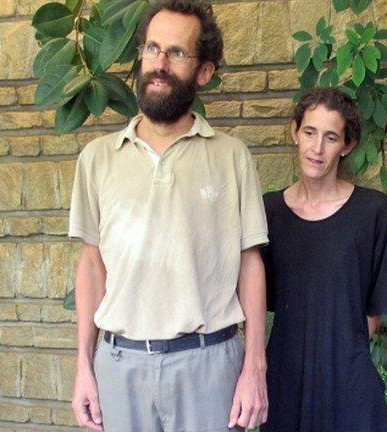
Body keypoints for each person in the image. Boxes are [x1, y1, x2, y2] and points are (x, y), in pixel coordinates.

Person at [68, 1, 269, 430]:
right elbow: (91, 265)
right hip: (120, 367)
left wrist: (255, 367)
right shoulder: (97, 159)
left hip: (209, 367)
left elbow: (250, 265)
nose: (159, 63)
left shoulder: (232, 157)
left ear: (204, 72)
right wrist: (84, 365)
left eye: (176, 52)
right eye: (152, 49)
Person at [260, 88, 387, 432]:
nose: (317, 148)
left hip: (348, 379)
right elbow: (257, 301)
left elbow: (374, 307)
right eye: (309, 132)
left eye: (331, 137)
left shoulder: (372, 211)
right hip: (285, 376)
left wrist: (338, 360)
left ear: (347, 145)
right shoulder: (269, 211)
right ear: (295, 132)